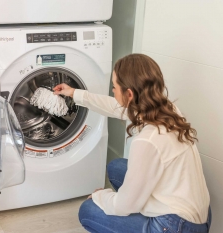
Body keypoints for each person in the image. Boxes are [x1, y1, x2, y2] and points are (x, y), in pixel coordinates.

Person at [53, 54, 211, 233]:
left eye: (114, 86)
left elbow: (124, 206)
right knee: (116, 167)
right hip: (197, 213)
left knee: (88, 210)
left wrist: (101, 196)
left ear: (129, 94)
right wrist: (74, 93)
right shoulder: (166, 108)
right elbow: (115, 106)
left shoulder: (147, 140)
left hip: (178, 226)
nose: (112, 90)